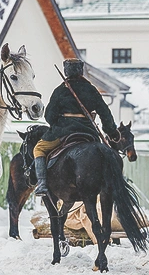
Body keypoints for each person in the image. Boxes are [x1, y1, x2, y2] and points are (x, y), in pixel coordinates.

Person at [32, 58, 120, 197]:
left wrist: (60, 122)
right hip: (88, 132)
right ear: (81, 71)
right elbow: (105, 112)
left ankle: (42, 184)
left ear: (66, 71)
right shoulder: (91, 89)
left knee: (39, 148)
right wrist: (111, 131)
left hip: (63, 131)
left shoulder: (61, 90)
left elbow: (49, 116)